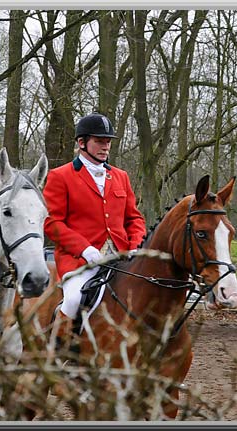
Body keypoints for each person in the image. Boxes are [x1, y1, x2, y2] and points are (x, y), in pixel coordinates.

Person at [43, 113, 147, 346]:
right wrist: (84, 248)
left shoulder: (120, 177)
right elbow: (52, 224)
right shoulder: (60, 176)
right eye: (99, 141)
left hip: (121, 258)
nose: (105, 146)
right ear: (82, 143)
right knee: (73, 298)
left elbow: (134, 219)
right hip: (80, 261)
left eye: (108, 141)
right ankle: (58, 351)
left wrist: (136, 246)